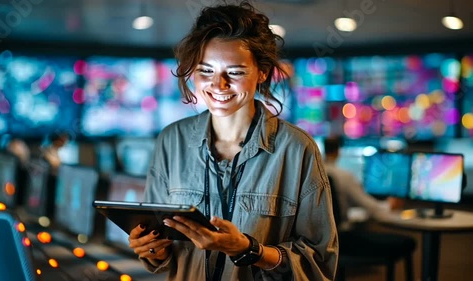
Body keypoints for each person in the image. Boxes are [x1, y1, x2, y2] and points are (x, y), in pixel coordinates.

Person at [128, 2, 338, 280]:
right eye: (206, 71)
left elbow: (319, 265)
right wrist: (152, 249)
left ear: (262, 73)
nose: (219, 85)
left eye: (235, 72)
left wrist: (250, 250)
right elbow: (165, 252)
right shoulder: (172, 140)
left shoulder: (297, 149)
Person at [322, 137, 400, 230]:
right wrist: (389, 205)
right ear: (338, 151)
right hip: (341, 235)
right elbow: (368, 206)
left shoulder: (314, 174)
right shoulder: (343, 176)